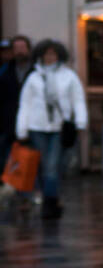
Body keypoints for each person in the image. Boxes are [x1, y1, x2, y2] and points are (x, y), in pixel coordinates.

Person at [15, 39, 88, 220]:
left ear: (59, 56)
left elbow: (77, 99)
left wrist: (80, 122)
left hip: (59, 126)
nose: (50, 57)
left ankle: (49, 202)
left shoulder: (69, 76)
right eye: (47, 54)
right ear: (41, 55)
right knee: (44, 165)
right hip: (37, 126)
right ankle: (52, 199)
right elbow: (26, 104)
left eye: (53, 54)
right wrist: (21, 129)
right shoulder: (33, 77)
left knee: (52, 166)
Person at [0, 35, 33, 171]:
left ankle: (32, 189)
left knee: (32, 157)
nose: (20, 51)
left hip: (32, 121)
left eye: (22, 47)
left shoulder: (36, 71)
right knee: (7, 158)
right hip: (7, 121)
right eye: (16, 48)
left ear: (29, 49)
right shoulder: (4, 70)